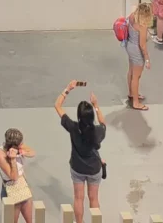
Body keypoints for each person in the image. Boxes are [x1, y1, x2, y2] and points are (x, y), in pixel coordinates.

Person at [54, 81, 106, 223]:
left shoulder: (73, 127)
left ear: (78, 116)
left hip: (77, 167)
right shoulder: (98, 131)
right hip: (94, 169)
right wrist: (96, 105)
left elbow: (57, 106)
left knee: (78, 198)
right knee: (94, 198)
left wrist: (68, 89)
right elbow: (103, 123)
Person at [0, 128, 35, 222]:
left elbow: (33, 152)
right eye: (21, 144)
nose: (22, 144)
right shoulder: (0, 155)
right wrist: (13, 160)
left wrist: (24, 152)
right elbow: (13, 177)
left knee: (29, 220)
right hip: (10, 188)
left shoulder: (19, 146)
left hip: (22, 185)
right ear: (13, 145)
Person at [123, 2, 152, 109]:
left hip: (129, 46)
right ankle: (136, 102)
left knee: (131, 72)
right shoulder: (142, 25)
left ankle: (131, 93)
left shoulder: (131, 17)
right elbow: (142, 45)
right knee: (136, 77)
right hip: (137, 51)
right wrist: (147, 59)